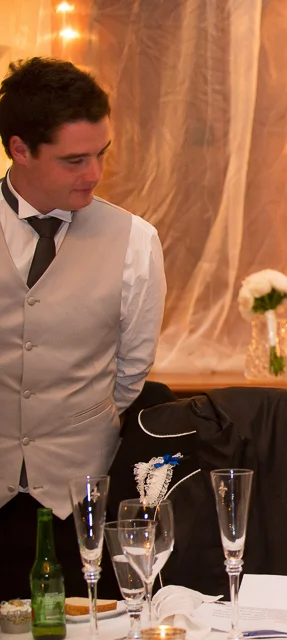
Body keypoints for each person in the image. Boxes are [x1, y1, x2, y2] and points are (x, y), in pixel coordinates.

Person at [0, 57, 166, 599]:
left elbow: (131, 371)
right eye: (74, 160)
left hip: (82, 501)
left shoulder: (135, 240)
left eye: (101, 154)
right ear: (20, 148)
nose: (93, 173)